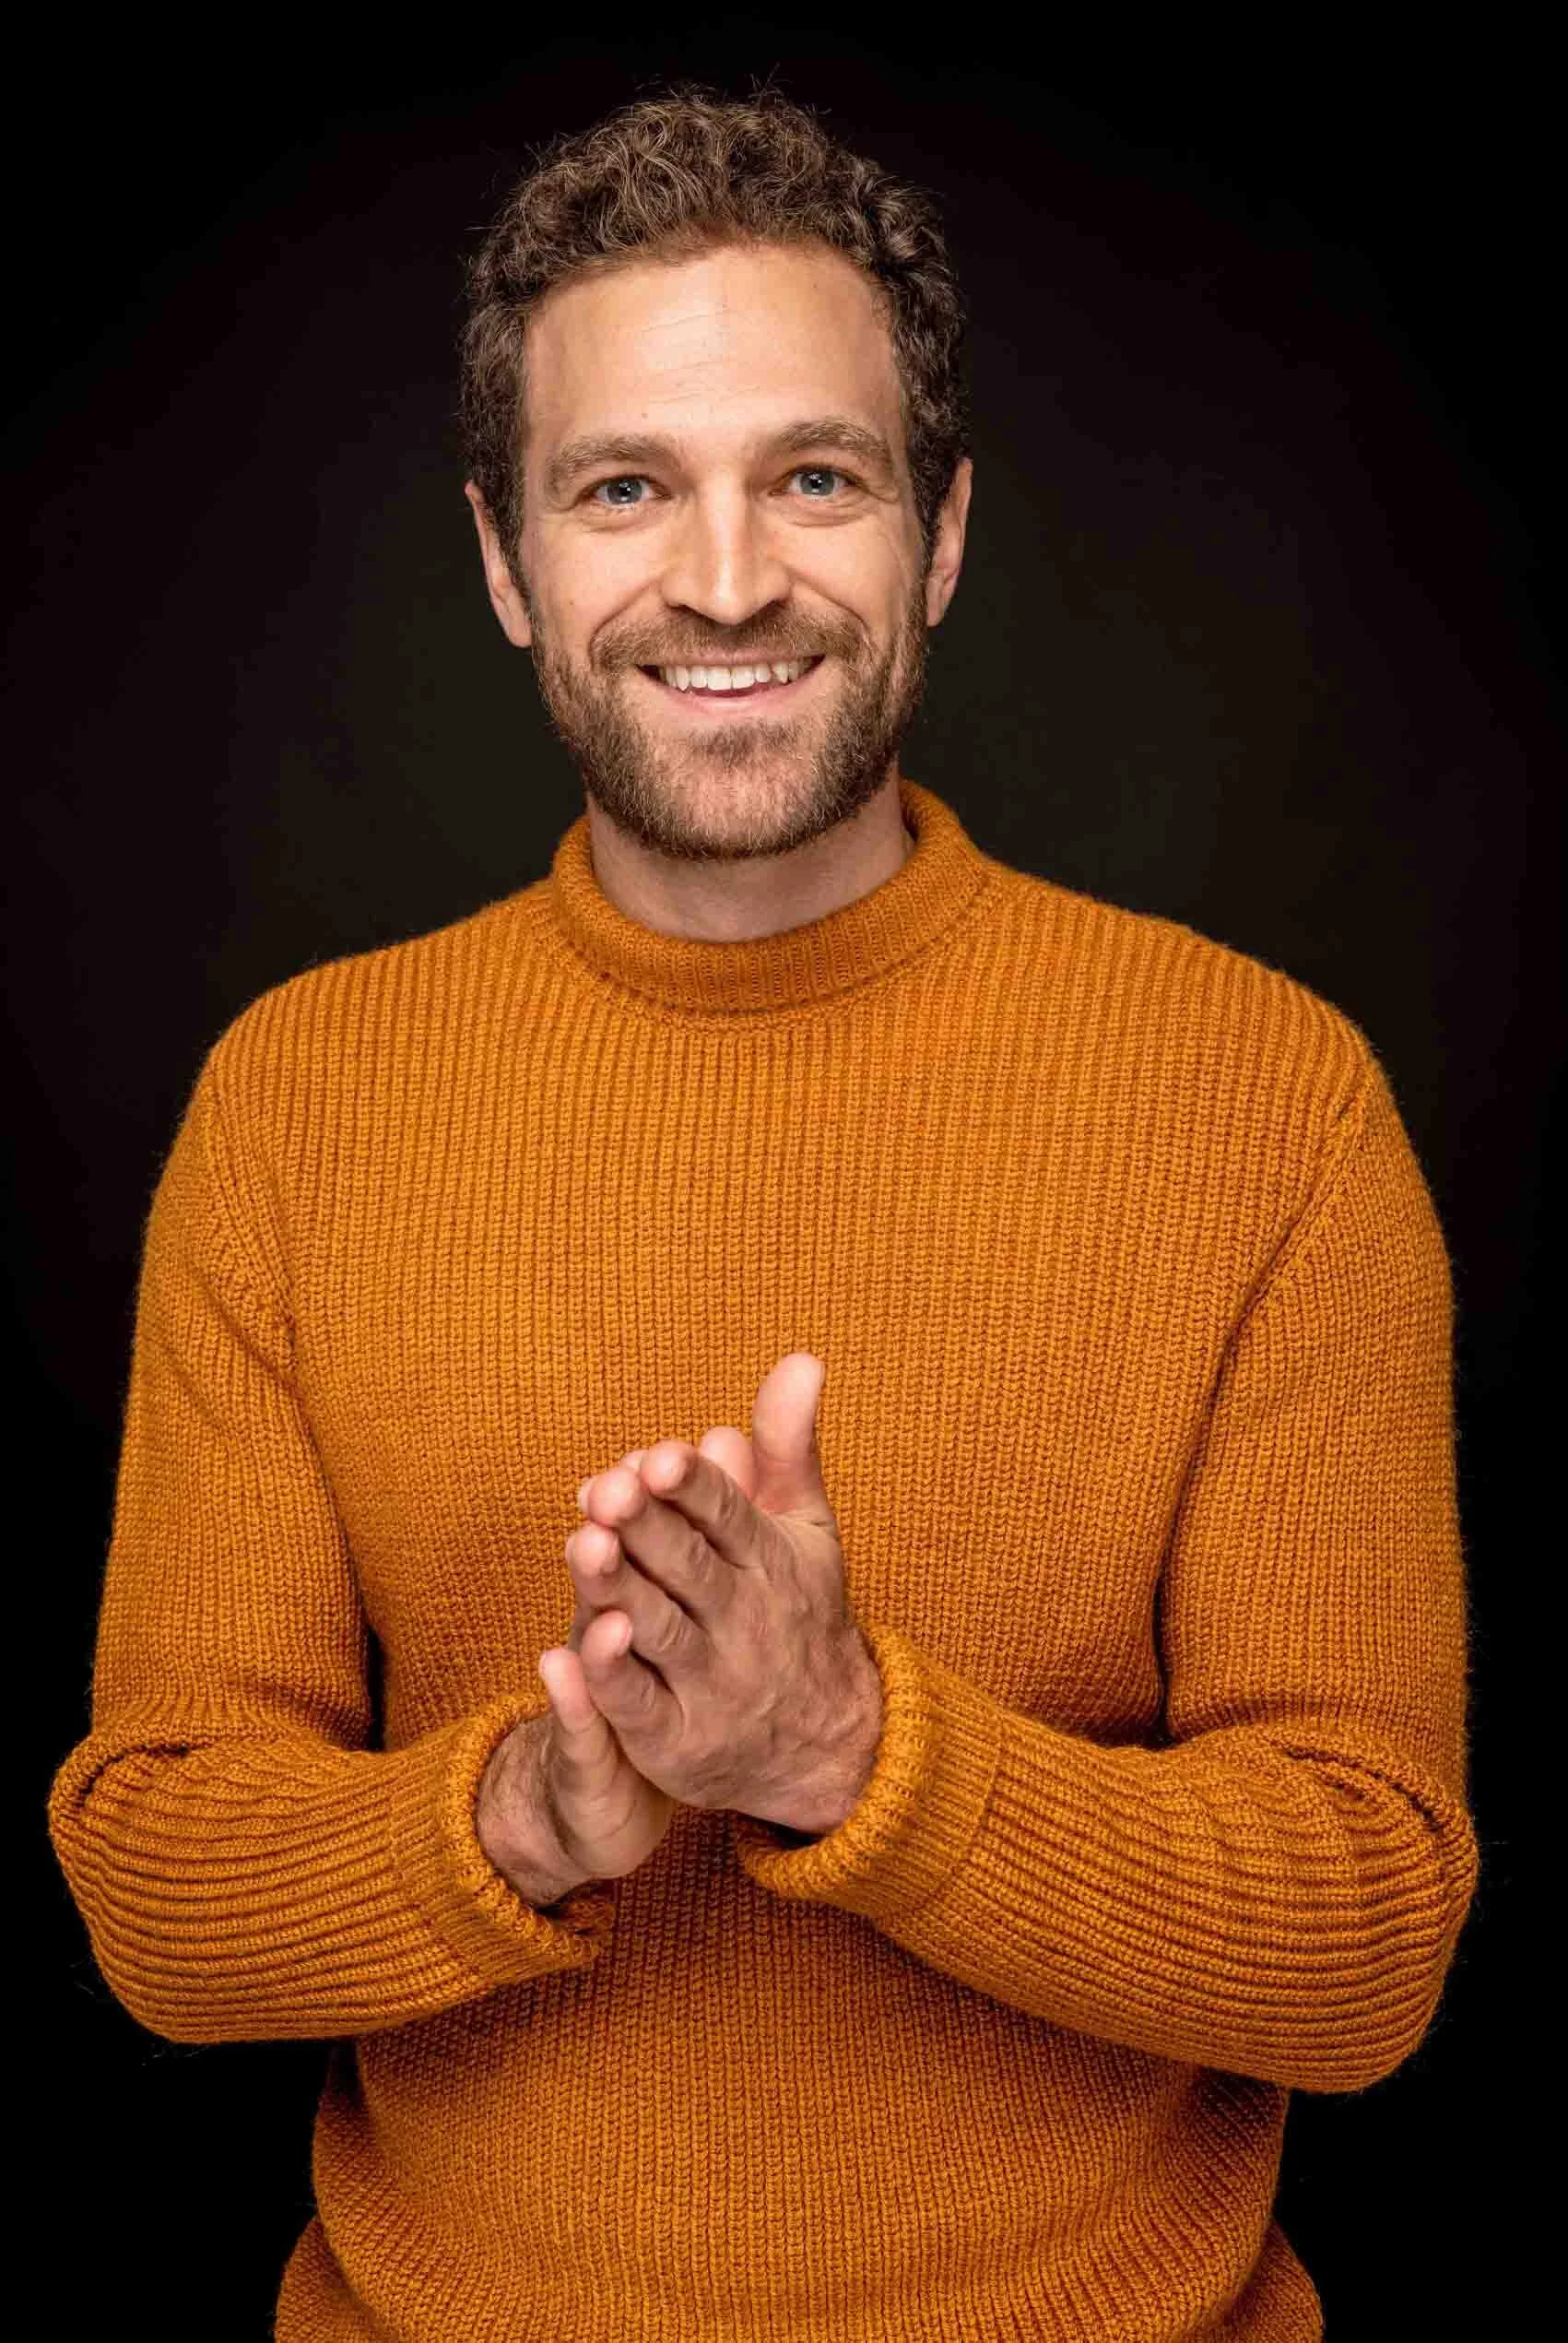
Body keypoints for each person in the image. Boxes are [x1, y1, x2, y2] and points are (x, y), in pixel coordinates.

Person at [48, 82, 1480, 2342]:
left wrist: (844, 1752)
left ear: (943, 534)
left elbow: (1367, 1939)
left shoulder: (1263, 1104)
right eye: (624, 488)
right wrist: (529, 1812)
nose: (724, 579)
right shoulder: (297, 1106)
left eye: (815, 476)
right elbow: (158, 1889)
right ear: (506, 560)